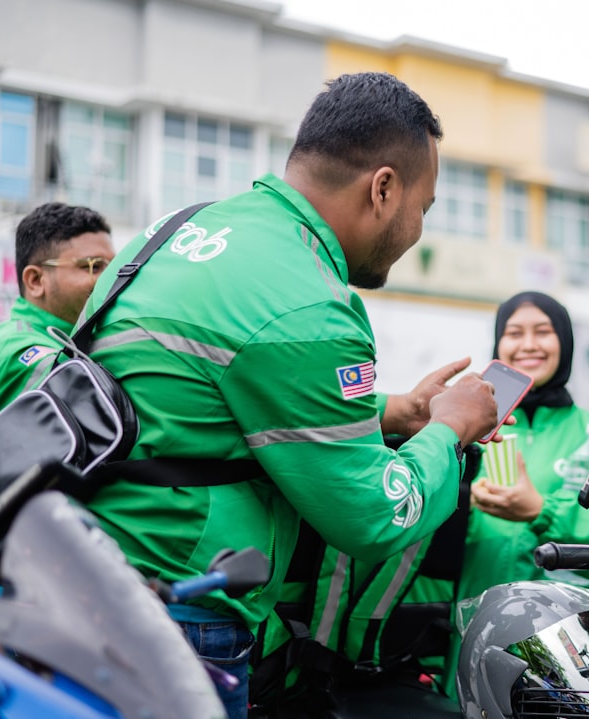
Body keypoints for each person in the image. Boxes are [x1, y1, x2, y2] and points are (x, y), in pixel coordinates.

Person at [77, 72, 500, 719]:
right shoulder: (310, 300)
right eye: (427, 205)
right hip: (174, 614)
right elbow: (370, 514)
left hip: (77, 574)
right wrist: (450, 427)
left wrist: (392, 410)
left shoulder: (175, 230)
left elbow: (213, 398)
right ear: (383, 188)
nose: (418, 229)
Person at [461, 291, 589, 601]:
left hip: (571, 630)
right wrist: (464, 503)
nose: (529, 344)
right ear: (498, 345)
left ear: (565, 342)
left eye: (543, 332)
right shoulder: (467, 428)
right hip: (473, 623)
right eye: (514, 333)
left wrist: (540, 511)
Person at [0, 202, 114, 524]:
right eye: (92, 266)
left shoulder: (69, 341)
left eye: (115, 268)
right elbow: (90, 407)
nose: (109, 281)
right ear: (35, 280)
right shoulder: (16, 345)